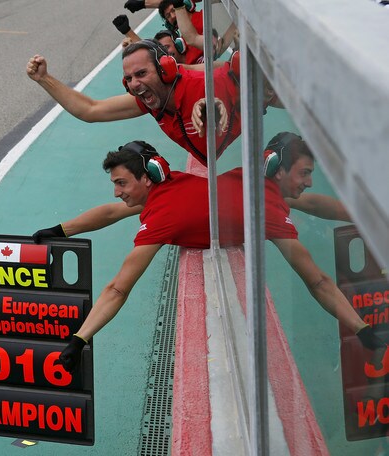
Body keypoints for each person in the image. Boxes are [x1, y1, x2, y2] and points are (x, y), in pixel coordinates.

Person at [36, 138, 383, 372]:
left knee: (300, 215)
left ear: (149, 176)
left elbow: (117, 289)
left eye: (122, 183)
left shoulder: (165, 216)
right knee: (299, 200)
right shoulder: (169, 187)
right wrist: (61, 230)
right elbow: (111, 212)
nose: (117, 192)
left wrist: (79, 340)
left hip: (261, 205)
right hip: (248, 188)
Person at [26, 39, 240, 165]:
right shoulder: (150, 100)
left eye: (141, 73)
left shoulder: (205, 83)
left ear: (165, 70)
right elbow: (91, 110)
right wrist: (45, 79)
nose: (135, 84)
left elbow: (255, 81)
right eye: (129, 79)